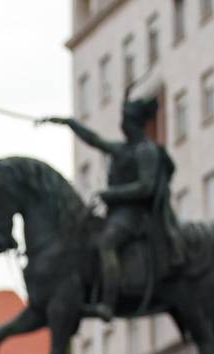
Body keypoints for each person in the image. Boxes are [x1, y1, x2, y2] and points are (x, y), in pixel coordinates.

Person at [38, 94, 184, 321]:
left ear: (134, 122)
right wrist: (69, 123)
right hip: (117, 213)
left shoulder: (146, 151)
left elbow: (147, 187)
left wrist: (111, 193)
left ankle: (108, 302)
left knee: (106, 242)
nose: (122, 124)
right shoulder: (122, 149)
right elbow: (95, 139)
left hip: (136, 215)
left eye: (125, 119)